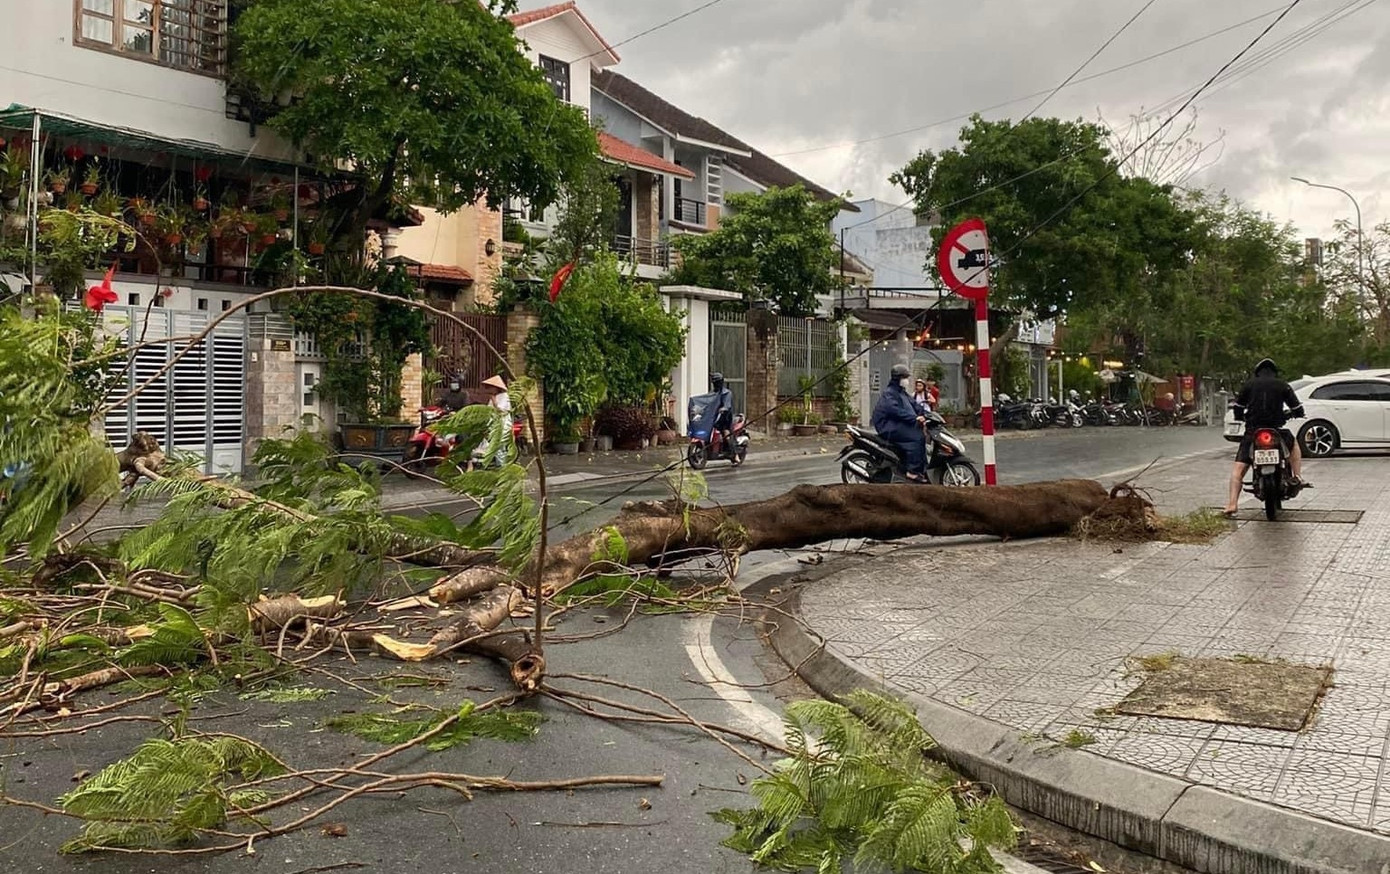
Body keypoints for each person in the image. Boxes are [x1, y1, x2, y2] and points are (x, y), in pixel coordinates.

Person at [1224, 357, 1306, 515]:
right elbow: (1296, 407)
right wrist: (1296, 414)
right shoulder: (1282, 385)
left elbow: (1238, 407)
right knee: (1294, 444)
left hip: (1253, 431)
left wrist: (1240, 416)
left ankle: (1232, 504)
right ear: (1274, 372)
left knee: (1238, 470)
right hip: (1276, 430)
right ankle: (1297, 476)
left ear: (1257, 372)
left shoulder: (1249, 385)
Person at [872, 363, 927, 482]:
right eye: (905, 378)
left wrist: (925, 414)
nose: (907, 380)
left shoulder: (902, 392)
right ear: (898, 378)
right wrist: (914, 418)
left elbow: (914, 404)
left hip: (896, 423)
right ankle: (912, 471)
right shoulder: (890, 393)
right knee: (916, 438)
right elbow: (895, 411)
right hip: (887, 426)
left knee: (920, 433)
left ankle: (920, 469)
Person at [468, 375, 513, 471]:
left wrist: (494, 401)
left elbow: (501, 410)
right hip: (493, 424)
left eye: (490, 387)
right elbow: (489, 411)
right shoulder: (494, 397)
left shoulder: (504, 396)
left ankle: (502, 468)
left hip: (502, 424)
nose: (489, 389)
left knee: (499, 447)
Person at [710, 372, 734, 450]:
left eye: (717, 382)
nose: (716, 384)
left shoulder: (727, 393)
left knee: (726, 434)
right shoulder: (712, 393)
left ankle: (734, 453)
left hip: (725, 417)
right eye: (714, 382)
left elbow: (727, 405)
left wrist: (723, 409)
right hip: (715, 416)